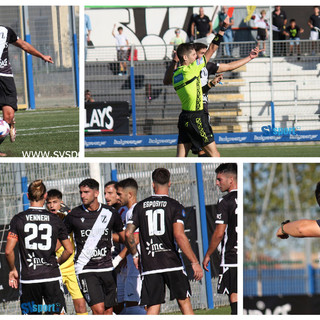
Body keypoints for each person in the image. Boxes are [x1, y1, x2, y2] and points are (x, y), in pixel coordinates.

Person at [125, 168, 203, 315]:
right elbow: (179, 235)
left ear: (153, 184)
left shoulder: (140, 207)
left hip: (150, 264)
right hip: (171, 262)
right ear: (170, 183)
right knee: (184, 301)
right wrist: (194, 261)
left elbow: (128, 233)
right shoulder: (175, 205)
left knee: (153, 306)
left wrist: (135, 255)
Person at [5, 180, 73, 315]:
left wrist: (12, 269)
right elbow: (69, 250)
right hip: (51, 277)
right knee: (56, 314)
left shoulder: (19, 219)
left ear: (27, 196)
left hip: (29, 278)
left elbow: (8, 251)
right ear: (45, 196)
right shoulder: (55, 219)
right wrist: (56, 263)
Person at [64, 178, 125, 315]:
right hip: (86, 268)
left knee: (108, 311)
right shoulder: (74, 215)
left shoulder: (110, 213)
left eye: (86, 192)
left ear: (96, 193)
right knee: (98, 310)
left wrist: (126, 256)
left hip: (108, 267)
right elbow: (60, 239)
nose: (82, 196)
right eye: (81, 192)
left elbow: (125, 238)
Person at [172, 17, 230, 157]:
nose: (196, 57)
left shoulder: (176, 75)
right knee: (215, 155)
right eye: (193, 54)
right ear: (185, 58)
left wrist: (211, 83)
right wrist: (222, 29)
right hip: (196, 116)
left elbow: (194, 91)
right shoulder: (191, 69)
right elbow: (212, 48)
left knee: (181, 156)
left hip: (184, 117)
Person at [0, 25, 53, 156]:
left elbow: (23, 44)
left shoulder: (5, 31)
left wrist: (42, 56)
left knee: (9, 116)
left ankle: (8, 125)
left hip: (5, 77)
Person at [202, 163, 238, 315]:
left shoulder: (226, 201)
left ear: (231, 179)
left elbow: (219, 233)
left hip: (232, 257)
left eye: (219, 179)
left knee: (235, 299)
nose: (217, 183)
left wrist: (208, 254)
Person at [46, 189, 88, 315]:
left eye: (55, 202)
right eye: (49, 202)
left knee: (81, 306)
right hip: (55, 268)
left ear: (61, 203)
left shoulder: (69, 218)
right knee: (57, 310)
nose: (52, 205)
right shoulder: (46, 221)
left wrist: (69, 213)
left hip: (71, 267)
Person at [116, 178, 146, 315]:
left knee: (134, 305)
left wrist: (119, 257)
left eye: (119, 194)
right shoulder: (131, 210)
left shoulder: (133, 211)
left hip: (136, 264)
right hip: (132, 264)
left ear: (129, 194)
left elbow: (135, 238)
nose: (117, 197)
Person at [104, 180, 127, 314]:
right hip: (122, 264)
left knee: (136, 304)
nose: (107, 197)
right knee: (117, 305)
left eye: (111, 193)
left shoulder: (125, 211)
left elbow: (131, 239)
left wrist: (121, 256)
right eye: (105, 193)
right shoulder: (111, 211)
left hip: (132, 263)